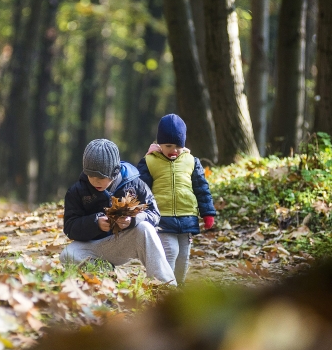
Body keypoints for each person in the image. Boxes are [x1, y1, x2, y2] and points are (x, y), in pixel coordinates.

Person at [60, 139, 175, 284]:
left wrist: (133, 220)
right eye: (90, 176)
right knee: (67, 255)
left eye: (101, 177)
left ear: (115, 172)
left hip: (125, 242)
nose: (95, 181)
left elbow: (154, 213)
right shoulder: (77, 191)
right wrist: (94, 223)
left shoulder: (135, 184)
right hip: (94, 247)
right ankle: (106, 275)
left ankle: (164, 284)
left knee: (146, 228)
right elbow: (70, 227)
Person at [137, 114, 216, 285]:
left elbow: (202, 188)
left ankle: (178, 287)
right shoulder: (149, 162)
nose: (174, 150)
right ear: (159, 144)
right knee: (170, 251)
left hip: (187, 215)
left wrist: (207, 212)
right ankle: (166, 287)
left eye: (178, 146)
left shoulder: (191, 162)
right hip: (161, 216)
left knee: (183, 256)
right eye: (168, 146)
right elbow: (141, 189)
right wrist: (140, 211)